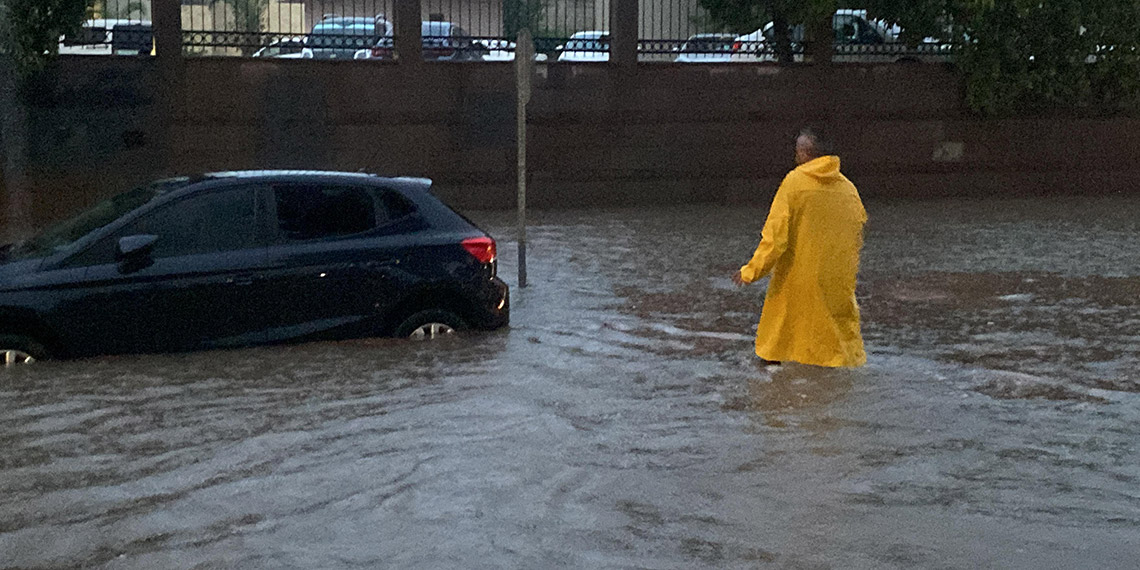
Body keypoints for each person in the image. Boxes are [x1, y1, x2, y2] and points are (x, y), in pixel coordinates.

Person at [732, 127, 867, 368]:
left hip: (798, 281)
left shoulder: (795, 182)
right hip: (837, 281)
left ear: (804, 153)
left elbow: (775, 238)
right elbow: (857, 236)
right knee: (835, 351)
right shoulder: (849, 190)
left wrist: (750, 271)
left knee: (777, 346)